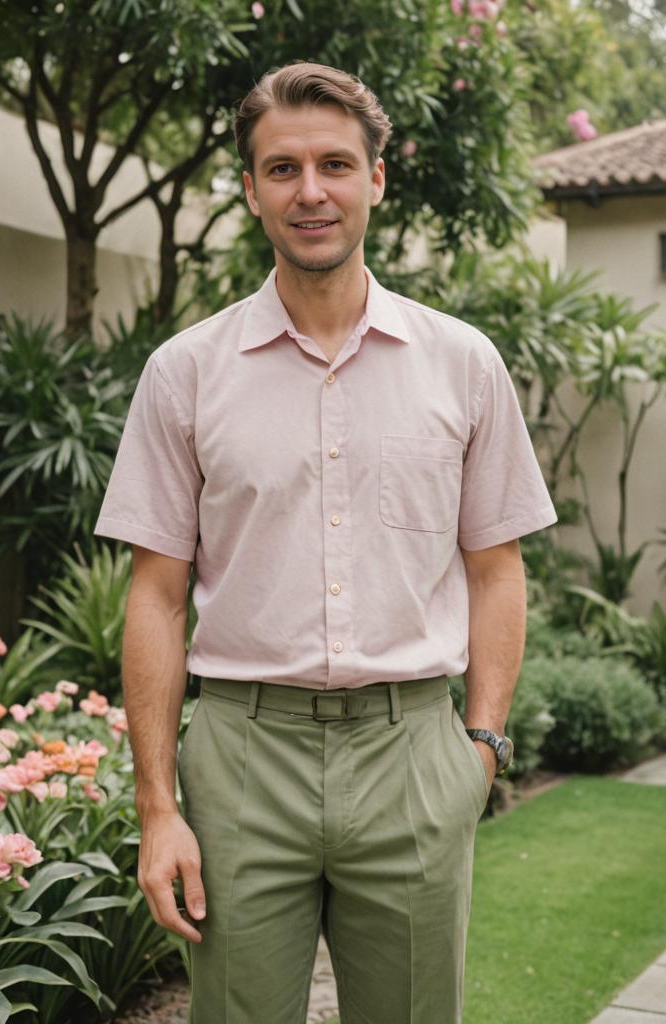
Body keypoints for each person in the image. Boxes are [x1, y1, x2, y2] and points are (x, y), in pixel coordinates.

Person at [94, 60, 557, 1024]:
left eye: (336, 164)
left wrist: (480, 746)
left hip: (414, 753)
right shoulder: (185, 374)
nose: (312, 191)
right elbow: (155, 596)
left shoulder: (463, 365)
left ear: (377, 179)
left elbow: (496, 567)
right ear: (254, 189)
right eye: (283, 169)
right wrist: (157, 807)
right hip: (242, 759)